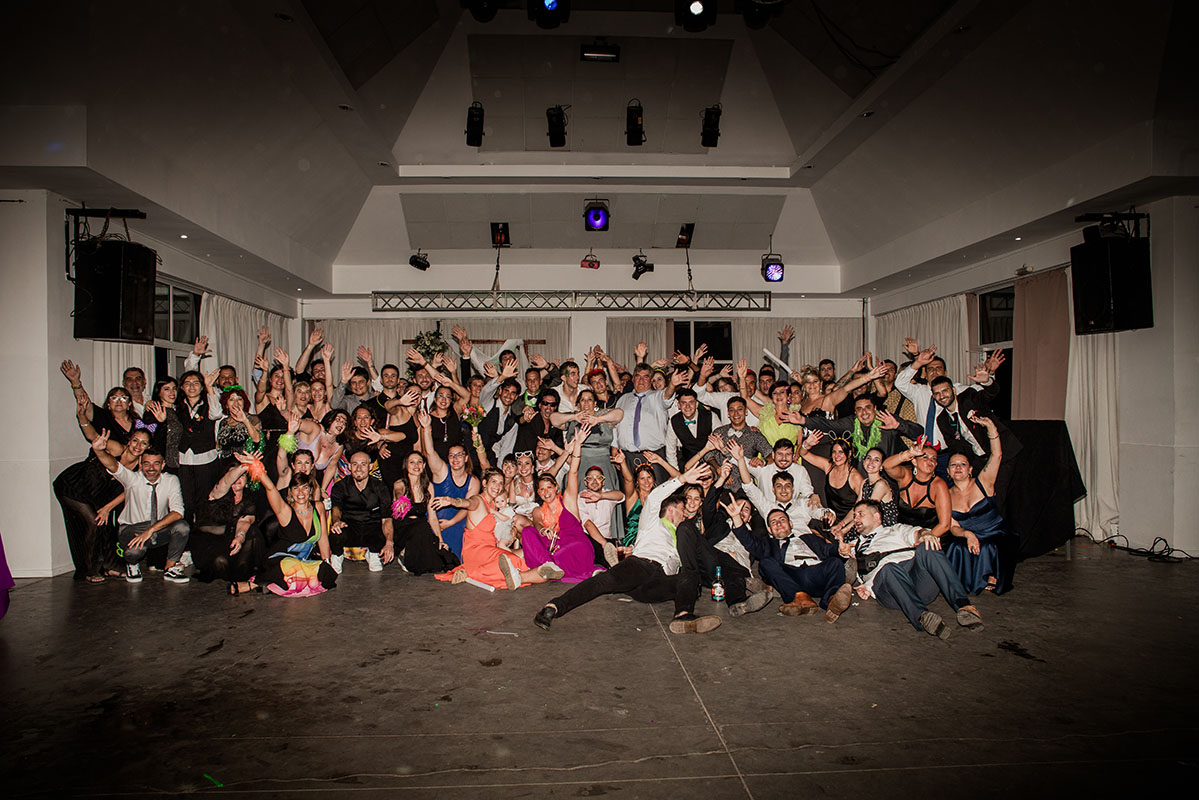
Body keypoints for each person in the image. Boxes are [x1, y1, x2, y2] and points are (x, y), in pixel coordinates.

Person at [533, 462, 722, 634]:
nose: (685, 514)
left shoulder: (680, 537)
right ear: (671, 509)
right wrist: (682, 479)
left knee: (689, 577)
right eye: (682, 510)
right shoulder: (652, 522)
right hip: (640, 566)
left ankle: (683, 616)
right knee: (603, 583)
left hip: (657, 583)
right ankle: (553, 607)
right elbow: (655, 496)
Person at [844, 499, 983, 639]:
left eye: (860, 514)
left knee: (927, 546)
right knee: (889, 569)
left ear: (876, 516)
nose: (856, 519)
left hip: (916, 578)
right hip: (889, 590)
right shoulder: (855, 546)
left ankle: (964, 606)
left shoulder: (896, 529)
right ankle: (922, 618)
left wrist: (925, 534)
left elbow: (917, 533)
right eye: (854, 515)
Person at [90, 429, 190, 584]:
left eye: (156, 464)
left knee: (182, 527)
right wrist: (99, 450)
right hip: (131, 529)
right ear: (141, 465)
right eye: (147, 464)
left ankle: (170, 569)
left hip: (157, 528)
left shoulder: (171, 480)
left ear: (162, 465)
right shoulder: (132, 479)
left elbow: (178, 512)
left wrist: (150, 530)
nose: (151, 468)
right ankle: (132, 564)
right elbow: (113, 465)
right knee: (135, 551)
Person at [725, 499, 851, 621]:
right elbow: (750, 542)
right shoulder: (768, 544)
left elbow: (829, 550)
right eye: (773, 522)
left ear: (791, 524)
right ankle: (800, 598)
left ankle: (832, 601)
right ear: (769, 530)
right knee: (765, 563)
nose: (778, 524)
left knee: (835, 563)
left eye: (782, 520)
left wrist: (841, 551)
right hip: (790, 576)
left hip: (816, 573)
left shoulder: (810, 538)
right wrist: (736, 518)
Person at [54, 427, 150, 583]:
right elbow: (93, 435)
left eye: (144, 443)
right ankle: (89, 570)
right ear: (129, 441)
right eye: (135, 440)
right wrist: (84, 420)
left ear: (148, 447)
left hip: (94, 496)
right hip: (72, 486)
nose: (137, 446)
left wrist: (107, 508)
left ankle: (109, 565)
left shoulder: (140, 467)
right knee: (94, 523)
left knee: (106, 525)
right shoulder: (116, 448)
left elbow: (128, 491)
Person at [230, 455, 335, 597]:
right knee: (293, 570)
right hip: (280, 560)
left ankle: (270, 585)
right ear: (290, 492)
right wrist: (257, 468)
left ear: (311, 490)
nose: (301, 493)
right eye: (296, 488)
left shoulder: (318, 507)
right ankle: (258, 583)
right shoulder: (285, 511)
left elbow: (322, 538)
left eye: (305, 488)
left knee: (326, 573)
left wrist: (326, 561)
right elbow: (271, 488)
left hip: (302, 562)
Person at [436, 468, 559, 590]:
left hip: (492, 549)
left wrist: (514, 533)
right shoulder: (478, 500)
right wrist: (452, 501)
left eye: (500, 483)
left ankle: (534, 572)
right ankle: (529, 575)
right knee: (513, 561)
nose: (498, 486)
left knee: (527, 553)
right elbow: (467, 503)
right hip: (477, 552)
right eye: (494, 481)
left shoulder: (495, 504)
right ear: (484, 483)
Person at [519, 431, 606, 585]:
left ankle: (537, 571)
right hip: (554, 550)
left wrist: (577, 445)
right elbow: (537, 522)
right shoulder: (538, 510)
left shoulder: (568, 501)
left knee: (563, 553)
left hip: (577, 547)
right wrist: (542, 530)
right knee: (527, 531)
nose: (546, 492)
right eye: (542, 490)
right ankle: (549, 565)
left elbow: (573, 471)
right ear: (538, 493)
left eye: (549, 488)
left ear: (556, 487)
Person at [945, 413, 1016, 594]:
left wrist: (991, 428)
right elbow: (953, 527)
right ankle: (959, 583)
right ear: (948, 471)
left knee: (989, 547)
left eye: (962, 464)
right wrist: (967, 533)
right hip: (970, 532)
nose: (958, 468)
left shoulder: (983, 482)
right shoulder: (946, 494)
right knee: (955, 546)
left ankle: (991, 576)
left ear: (970, 469)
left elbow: (997, 455)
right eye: (954, 465)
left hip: (996, 533)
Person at [190, 461, 263, 586]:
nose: (237, 479)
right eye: (234, 475)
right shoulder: (217, 493)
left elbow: (246, 520)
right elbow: (225, 483)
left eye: (242, 475)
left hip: (232, 539)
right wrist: (245, 465)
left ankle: (243, 575)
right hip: (210, 541)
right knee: (220, 563)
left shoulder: (249, 498)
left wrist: (240, 537)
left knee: (253, 532)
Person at [419, 408, 478, 558]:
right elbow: (430, 452)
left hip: (457, 521)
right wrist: (426, 428)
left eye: (459, 455)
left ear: (466, 458)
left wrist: (451, 522)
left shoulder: (473, 481)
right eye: (452, 455)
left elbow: (468, 507)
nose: (455, 459)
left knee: (457, 557)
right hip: (435, 519)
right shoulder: (442, 471)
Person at [613, 358, 682, 481]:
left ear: (650, 380)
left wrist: (672, 385)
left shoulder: (657, 396)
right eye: (638, 376)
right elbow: (614, 426)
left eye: (645, 377)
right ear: (633, 379)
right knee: (631, 497)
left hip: (654, 456)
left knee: (657, 496)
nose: (641, 380)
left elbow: (667, 396)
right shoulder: (623, 399)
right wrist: (614, 448)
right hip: (627, 457)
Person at [390, 451, 458, 574]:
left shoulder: (428, 486)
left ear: (424, 465)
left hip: (421, 530)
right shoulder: (400, 484)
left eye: (419, 462)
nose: (416, 465)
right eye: (412, 462)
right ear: (406, 465)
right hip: (403, 529)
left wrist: (440, 540)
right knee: (421, 528)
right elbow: (398, 492)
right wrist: (402, 500)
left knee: (444, 557)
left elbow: (432, 517)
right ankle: (404, 552)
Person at [328, 450, 395, 573]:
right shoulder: (340, 486)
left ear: (370, 467)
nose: (359, 468)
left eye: (363, 464)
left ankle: (373, 553)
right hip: (350, 527)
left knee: (384, 531)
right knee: (335, 532)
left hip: (372, 528)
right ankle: (337, 556)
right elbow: (336, 509)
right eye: (355, 464)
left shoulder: (380, 487)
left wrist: (389, 542)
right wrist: (337, 521)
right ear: (349, 466)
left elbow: (386, 518)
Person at [805, 396, 924, 460]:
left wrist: (898, 426)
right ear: (855, 412)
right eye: (859, 409)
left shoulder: (886, 419)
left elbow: (918, 432)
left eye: (868, 407)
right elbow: (828, 425)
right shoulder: (852, 423)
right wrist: (803, 420)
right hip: (866, 474)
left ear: (875, 408)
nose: (864, 412)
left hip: (892, 473)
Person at [883, 439, 952, 538]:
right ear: (914, 461)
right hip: (902, 534)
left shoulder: (939, 485)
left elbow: (944, 525)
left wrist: (921, 541)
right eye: (925, 457)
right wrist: (908, 454)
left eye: (934, 459)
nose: (930, 461)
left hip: (930, 536)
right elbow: (887, 466)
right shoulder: (906, 476)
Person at [797, 432, 861, 524]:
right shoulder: (828, 467)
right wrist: (806, 444)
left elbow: (862, 507)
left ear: (849, 453)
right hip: (830, 517)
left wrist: (843, 526)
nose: (837, 456)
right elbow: (803, 454)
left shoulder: (855, 477)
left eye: (841, 452)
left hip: (850, 522)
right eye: (834, 452)